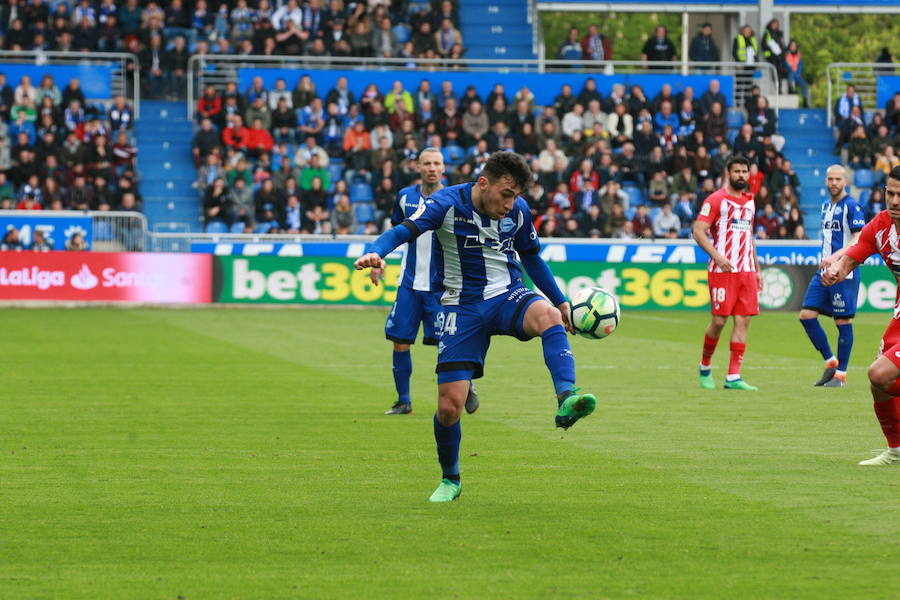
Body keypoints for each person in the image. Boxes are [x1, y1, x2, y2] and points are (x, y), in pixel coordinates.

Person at [354, 151, 597, 502]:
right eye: (505, 194)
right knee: (450, 406)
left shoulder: (518, 210)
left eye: (515, 196)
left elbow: (531, 256)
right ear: (483, 183)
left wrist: (560, 302)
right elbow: (404, 230)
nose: (510, 203)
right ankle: (451, 479)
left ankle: (567, 398)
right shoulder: (445, 204)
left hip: (507, 295)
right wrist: (376, 252)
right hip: (460, 307)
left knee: (548, 317)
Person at [373, 148, 479, 416]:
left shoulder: (453, 199)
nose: (432, 168)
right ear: (418, 167)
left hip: (440, 288)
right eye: (427, 163)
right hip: (409, 285)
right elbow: (397, 231)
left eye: (437, 163)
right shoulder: (405, 197)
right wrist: (380, 259)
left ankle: (465, 383)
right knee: (400, 341)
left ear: (444, 168)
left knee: (449, 344)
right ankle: (403, 401)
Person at [821, 166, 900, 465]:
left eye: (899, 195)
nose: (893, 201)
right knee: (880, 382)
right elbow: (855, 254)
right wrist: (836, 270)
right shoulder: (880, 226)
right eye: (889, 193)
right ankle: (896, 450)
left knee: (878, 373)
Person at [692, 156, 762, 390]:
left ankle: (733, 376)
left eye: (745, 171)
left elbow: (748, 237)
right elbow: (698, 231)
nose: (742, 175)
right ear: (728, 173)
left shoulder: (750, 202)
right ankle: (705, 366)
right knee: (719, 321)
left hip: (747, 272)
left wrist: (757, 269)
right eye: (737, 171)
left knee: (743, 321)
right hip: (723, 271)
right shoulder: (715, 200)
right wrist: (717, 257)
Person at [799, 165, 865, 388]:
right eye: (830, 179)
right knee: (806, 315)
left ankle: (841, 375)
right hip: (823, 271)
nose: (834, 182)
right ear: (826, 181)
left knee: (842, 320)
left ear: (845, 182)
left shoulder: (852, 206)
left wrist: (835, 258)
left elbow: (858, 238)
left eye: (838, 179)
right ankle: (831, 361)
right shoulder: (826, 206)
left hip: (843, 271)